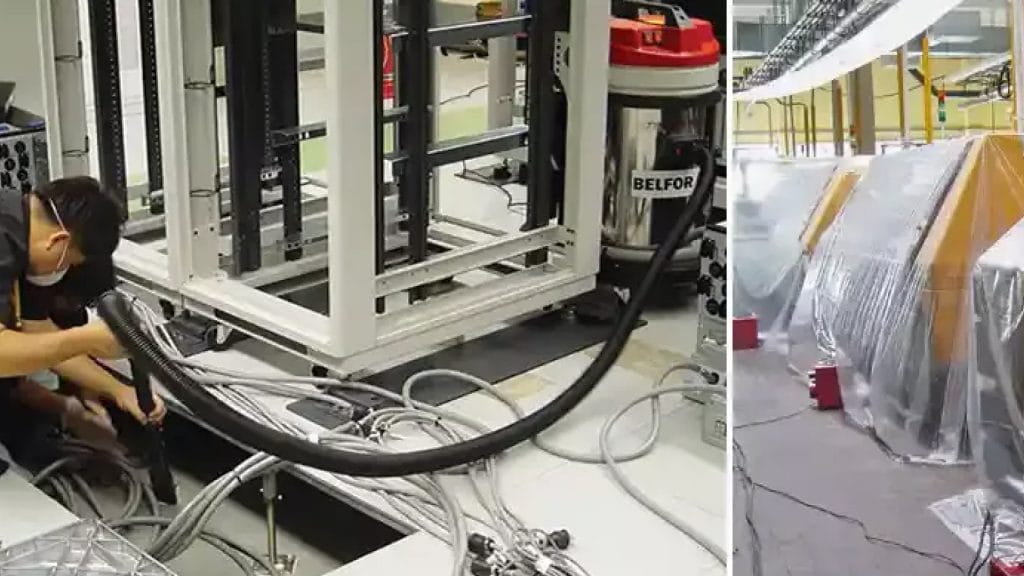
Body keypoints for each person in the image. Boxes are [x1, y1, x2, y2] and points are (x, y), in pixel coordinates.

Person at [0, 177, 166, 466]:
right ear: (59, 242)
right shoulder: (3, 242)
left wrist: (117, 390)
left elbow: (35, 331)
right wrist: (87, 339)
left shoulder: (19, 227)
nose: (63, 272)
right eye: (69, 263)